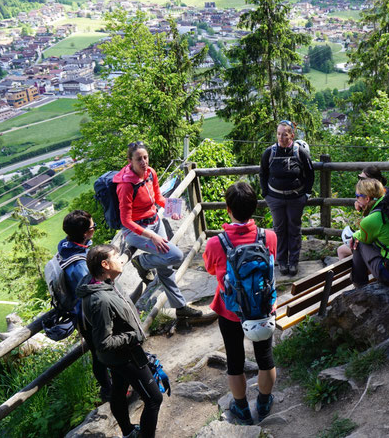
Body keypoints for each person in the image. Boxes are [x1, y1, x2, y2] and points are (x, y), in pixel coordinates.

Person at [203, 182, 278, 425]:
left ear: (228, 208)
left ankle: (242, 408)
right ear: (255, 207)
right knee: (265, 358)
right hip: (263, 308)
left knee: (234, 362)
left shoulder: (216, 243)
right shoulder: (269, 236)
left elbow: (210, 268)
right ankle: (265, 402)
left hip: (231, 311)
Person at [78, 244, 162, 438]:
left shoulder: (104, 281)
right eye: (117, 257)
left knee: (119, 388)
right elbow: (103, 342)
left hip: (116, 357)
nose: (121, 259)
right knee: (154, 399)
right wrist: (134, 335)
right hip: (125, 355)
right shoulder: (101, 300)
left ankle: (128, 432)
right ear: (105, 264)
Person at [114, 141, 200, 319]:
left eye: (145, 157)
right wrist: (152, 236)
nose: (144, 162)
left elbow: (158, 197)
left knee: (165, 267)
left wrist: (171, 209)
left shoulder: (150, 173)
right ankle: (142, 262)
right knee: (175, 256)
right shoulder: (126, 185)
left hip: (155, 221)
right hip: (137, 231)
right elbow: (126, 220)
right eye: (139, 159)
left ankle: (180, 307)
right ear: (130, 160)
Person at [58, 210, 112, 402]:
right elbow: (91, 289)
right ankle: (108, 389)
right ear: (84, 233)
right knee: (100, 353)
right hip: (87, 315)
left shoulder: (68, 246)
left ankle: (109, 387)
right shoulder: (78, 265)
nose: (95, 228)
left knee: (99, 351)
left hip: (82, 312)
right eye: (92, 227)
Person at [259, 120, 314, 276]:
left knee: (294, 229)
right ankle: (282, 261)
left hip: (296, 198)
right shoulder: (269, 153)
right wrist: (266, 194)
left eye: (285, 134)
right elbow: (263, 173)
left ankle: (294, 262)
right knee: (279, 230)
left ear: (292, 135)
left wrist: (307, 194)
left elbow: (310, 174)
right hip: (275, 198)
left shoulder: (300, 152)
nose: (281, 137)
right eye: (278, 134)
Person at [338, 166, 388, 259]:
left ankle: (356, 274)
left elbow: (366, 235)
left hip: (383, 249)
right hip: (384, 244)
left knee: (351, 247)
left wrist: (355, 236)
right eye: (359, 178)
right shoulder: (383, 196)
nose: (359, 181)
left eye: (362, 178)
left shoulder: (379, 205)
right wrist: (361, 203)